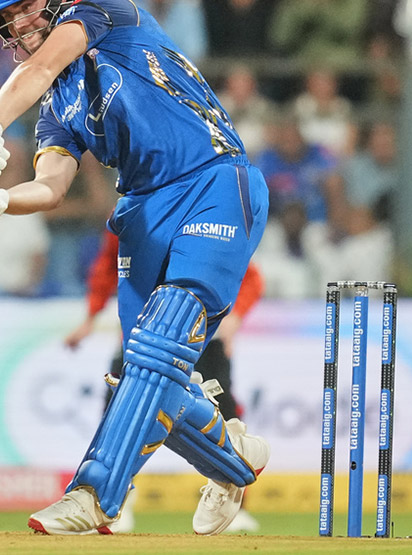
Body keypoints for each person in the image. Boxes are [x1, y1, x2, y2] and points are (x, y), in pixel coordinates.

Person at [0, 0, 270, 536]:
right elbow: (51, 185)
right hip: (140, 210)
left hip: (212, 178)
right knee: (148, 371)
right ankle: (234, 462)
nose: (20, 24)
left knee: (159, 347)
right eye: (7, 17)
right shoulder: (55, 109)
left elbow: (33, 73)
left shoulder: (105, 10)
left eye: (28, 6)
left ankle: (93, 494)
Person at [65, 227, 266, 532]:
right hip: (143, 333)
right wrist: (91, 317)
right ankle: (112, 500)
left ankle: (233, 501)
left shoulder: (201, 213)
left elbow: (246, 274)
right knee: (117, 413)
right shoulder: (127, 214)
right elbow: (108, 267)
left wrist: (235, 317)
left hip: (202, 335)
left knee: (221, 414)